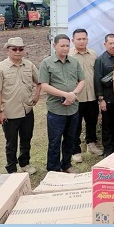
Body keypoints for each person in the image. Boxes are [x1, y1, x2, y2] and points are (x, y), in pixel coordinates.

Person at [0, 37, 40, 175]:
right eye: (14, 49)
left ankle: (24, 163)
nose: (18, 52)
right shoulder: (0, 68)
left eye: (21, 49)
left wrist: (36, 96)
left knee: (26, 139)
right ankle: (11, 168)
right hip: (10, 112)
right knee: (11, 143)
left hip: (27, 110)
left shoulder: (29, 65)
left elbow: (40, 81)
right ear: (8, 50)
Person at [39, 34, 85, 173]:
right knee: (55, 141)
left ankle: (66, 165)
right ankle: (53, 169)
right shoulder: (46, 63)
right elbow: (44, 86)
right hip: (56, 110)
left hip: (73, 108)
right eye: (62, 46)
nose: (65, 48)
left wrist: (73, 95)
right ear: (54, 46)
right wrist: (65, 95)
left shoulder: (74, 62)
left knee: (70, 139)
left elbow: (82, 80)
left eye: (67, 45)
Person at [69, 29, 101, 160]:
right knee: (75, 124)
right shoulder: (69, 56)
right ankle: (75, 150)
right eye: (79, 39)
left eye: (84, 39)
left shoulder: (93, 54)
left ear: (87, 39)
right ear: (73, 41)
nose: (82, 41)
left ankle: (91, 144)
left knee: (92, 121)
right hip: (76, 97)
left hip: (92, 95)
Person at [93, 33, 114, 155]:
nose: (113, 46)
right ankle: (108, 149)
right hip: (107, 98)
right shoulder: (101, 60)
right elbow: (97, 80)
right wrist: (101, 99)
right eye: (110, 43)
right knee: (107, 125)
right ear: (105, 44)